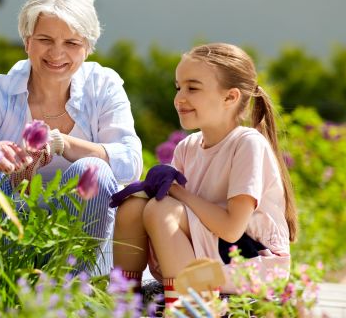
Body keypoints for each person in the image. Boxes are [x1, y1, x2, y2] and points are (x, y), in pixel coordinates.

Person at [0, 0, 143, 274]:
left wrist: (63, 143)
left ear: (87, 48)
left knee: (95, 170)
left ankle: (76, 292)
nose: (57, 53)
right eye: (45, 40)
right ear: (27, 41)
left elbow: (130, 163)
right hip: (13, 227)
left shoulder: (103, 85)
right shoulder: (0, 89)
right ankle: (6, 281)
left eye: (72, 43)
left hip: (82, 239)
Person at [112, 43, 297, 306]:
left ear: (230, 97)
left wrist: (176, 190)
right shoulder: (187, 147)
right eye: (178, 87)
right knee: (133, 206)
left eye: (193, 88)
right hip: (205, 255)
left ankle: (187, 307)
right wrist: (151, 188)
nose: (179, 98)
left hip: (252, 262)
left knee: (160, 209)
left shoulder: (247, 143)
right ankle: (123, 302)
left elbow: (232, 229)